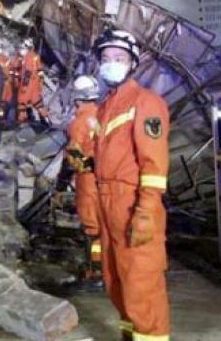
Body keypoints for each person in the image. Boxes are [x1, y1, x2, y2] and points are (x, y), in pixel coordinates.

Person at [92, 30, 170, 341]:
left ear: (132, 63)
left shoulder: (146, 103)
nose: (111, 64)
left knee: (141, 284)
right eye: (106, 59)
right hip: (106, 202)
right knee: (116, 282)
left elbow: (154, 165)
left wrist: (146, 210)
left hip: (131, 203)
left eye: (119, 58)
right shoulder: (106, 105)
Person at [64, 75, 102, 286]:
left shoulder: (78, 122)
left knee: (91, 226)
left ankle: (94, 272)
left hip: (88, 179)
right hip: (104, 177)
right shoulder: (100, 116)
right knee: (103, 221)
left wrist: (71, 171)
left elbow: (74, 154)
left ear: (77, 98)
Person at [17, 39, 48, 124]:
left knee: (21, 103)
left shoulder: (29, 57)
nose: (20, 50)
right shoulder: (34, 56)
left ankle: (22, 122)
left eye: (22, 48)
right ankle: (46, 122)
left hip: (28, 85)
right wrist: (40, 84)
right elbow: (40, 71)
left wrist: (24, 86)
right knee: (38, 103)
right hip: (35, 84)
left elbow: (27, 73)